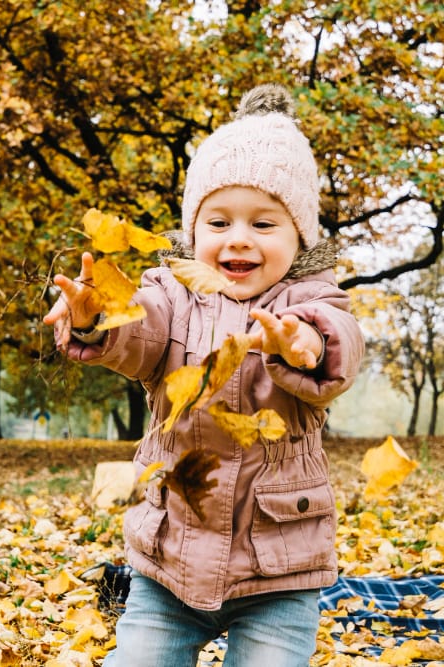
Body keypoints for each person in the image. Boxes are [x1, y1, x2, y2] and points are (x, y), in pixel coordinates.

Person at [43, 84, 366, 666]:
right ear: (195, 232)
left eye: (264, 224)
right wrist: (95, 320)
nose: (238, 237)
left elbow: (342, 343)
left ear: (300, 238)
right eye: (219, 221)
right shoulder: (170, 292)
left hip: (279, 567)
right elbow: (138, 334)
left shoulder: (313, 297)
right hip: (169, 557)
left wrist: (305, 344)